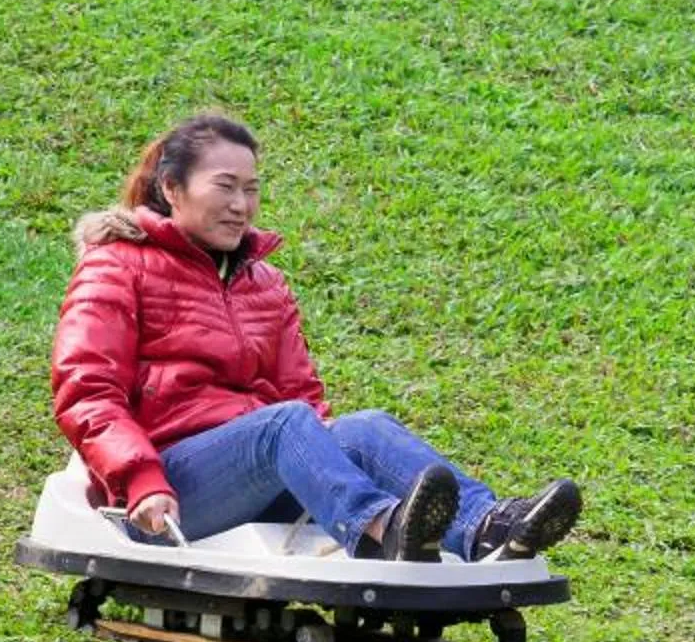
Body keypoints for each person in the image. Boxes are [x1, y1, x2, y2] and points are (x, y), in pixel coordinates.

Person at [51, 113, 582, 563]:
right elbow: (88, 391)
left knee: (363, 428)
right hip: (167, 488)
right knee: (283, 425)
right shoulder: (118, 266)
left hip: (260, 471)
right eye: (225, 186)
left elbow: (302, 399)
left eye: (251, 189)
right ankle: (384, 531)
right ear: (172, 189)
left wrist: (329, 453)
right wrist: (141, 479)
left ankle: (486, 529)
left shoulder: (264, 283)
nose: (241, 204)